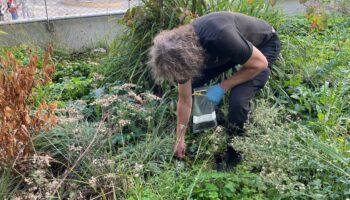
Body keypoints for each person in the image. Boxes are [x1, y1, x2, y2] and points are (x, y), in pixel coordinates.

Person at [148, 11, 281, 169]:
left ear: (190, 57)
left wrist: (222, 86)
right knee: (195, 84)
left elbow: (260, 64)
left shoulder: (220, 36)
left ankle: (234, 155)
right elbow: (184, 100)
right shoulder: (177, 52)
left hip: (263, 48)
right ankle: (211, 130)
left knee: (238, 100)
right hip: (232, 51)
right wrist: (179, 139)